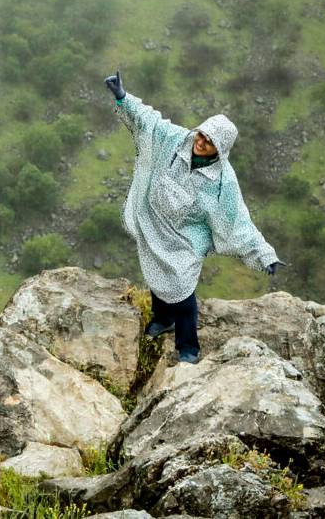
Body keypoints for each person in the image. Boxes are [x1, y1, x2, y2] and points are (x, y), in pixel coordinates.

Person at [104, 70, 283, 364]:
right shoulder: (176, 140)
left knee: (182, 291)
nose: (200, 142)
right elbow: (149, 121)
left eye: (209, 141)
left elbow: (237, 219)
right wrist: (123, 97)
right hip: (157, 225)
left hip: (187, 238)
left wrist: (264, 254)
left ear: (220, 149)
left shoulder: (223, 181)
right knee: (157, 275)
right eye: (202, 134)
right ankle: (163, 319)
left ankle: (189, 346)